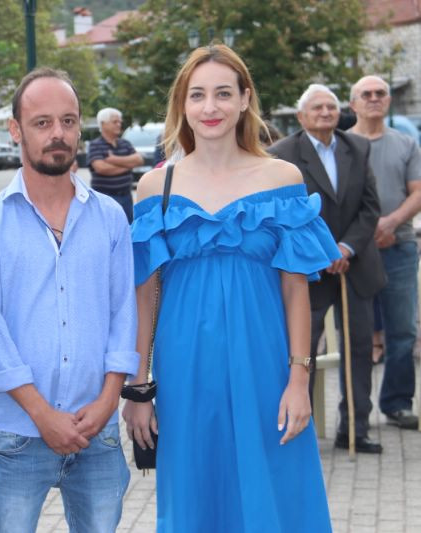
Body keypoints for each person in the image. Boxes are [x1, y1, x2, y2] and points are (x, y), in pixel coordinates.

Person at [124, 45, 335, 531]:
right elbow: (145, 296)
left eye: (223, 93)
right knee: (197, 491)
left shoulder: (282, 178)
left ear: (244, 99)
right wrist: (138, 388)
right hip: (185, 365)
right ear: (183, 105)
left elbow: (295, 291)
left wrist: (299, 380)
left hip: (265, 361)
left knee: (275, 491)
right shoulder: (156, 187)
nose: (210, 107)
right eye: (197, 95)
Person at [0, 67, 139, 532]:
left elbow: (124, 314)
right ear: (16, 129)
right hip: (18, 434)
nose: (57, 133)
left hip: (97, 430)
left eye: (68, 121)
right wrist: (43, 416)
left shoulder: (110, 218)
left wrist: (108, 401)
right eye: (42, 122)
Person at [270, 83, 386, 453]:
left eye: (331, 107)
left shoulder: (358, 147)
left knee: (360, 349)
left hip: (355, 265)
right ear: (300, 115)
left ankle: (355, 429)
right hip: (308, 273)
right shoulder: (282, 155)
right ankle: (299, 430)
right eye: (317, 108)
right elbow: (286, 216)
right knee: (303, 351)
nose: (325, 113)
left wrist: (346, 247)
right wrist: (325, 252)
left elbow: (370, 207)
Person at [349, 75, 421, 429]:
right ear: (353, 104)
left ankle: (397, 403)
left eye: (380, 93)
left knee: (402, 330)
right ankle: (355, 412)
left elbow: (417, 191)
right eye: (367, 94)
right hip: (354, 253)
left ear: (389, 101)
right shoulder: (343, 145)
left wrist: (391, 223)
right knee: (356, 334)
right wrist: (362, 235)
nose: (374, 98)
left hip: (400, 247)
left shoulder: (406, 143)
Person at [88, 107, 144, 222]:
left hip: (126, 197)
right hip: (105, 198)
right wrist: (128, 164)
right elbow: (101, 168)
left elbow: (139, 160)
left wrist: (114, 159)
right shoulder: (95, 145)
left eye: (120, 122)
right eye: (115, 122)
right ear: (103, 124)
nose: (119, 124)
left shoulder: (125, 143)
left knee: (127, 228)